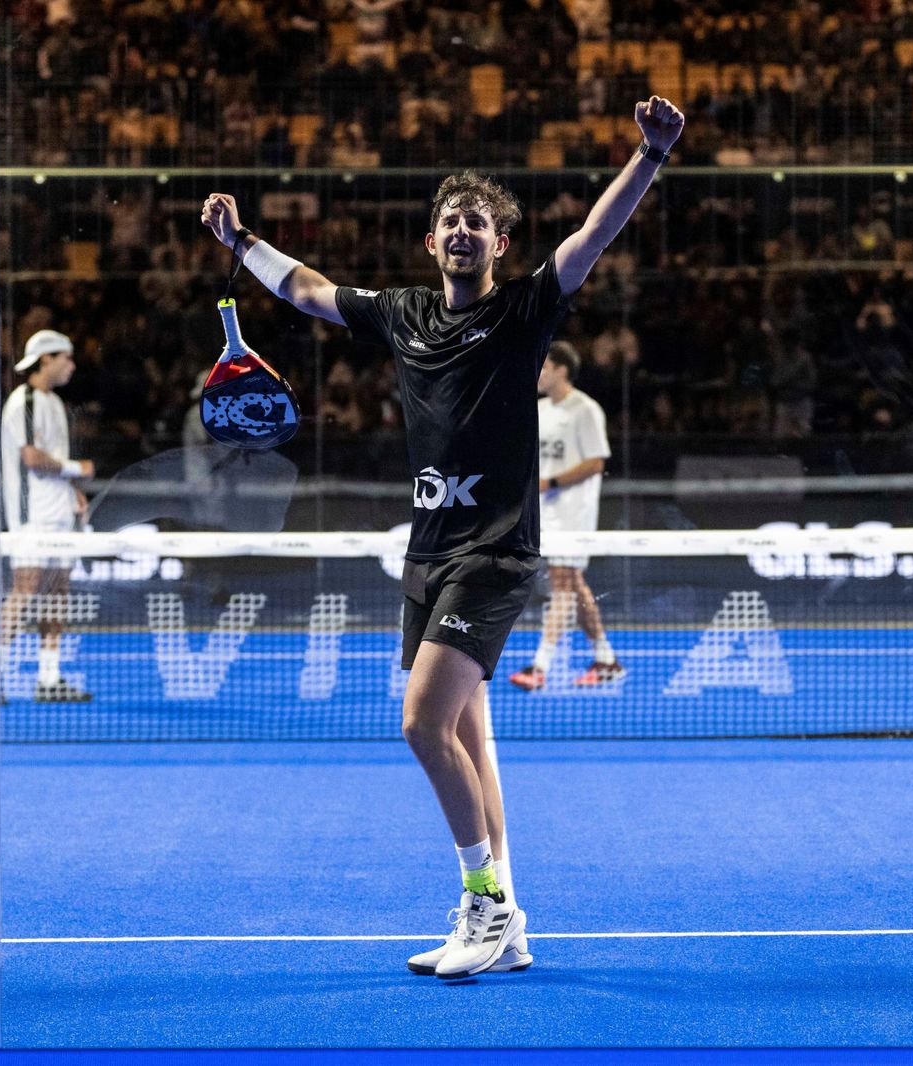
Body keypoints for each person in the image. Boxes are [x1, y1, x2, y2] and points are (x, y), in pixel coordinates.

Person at [199, 95, 684, 980]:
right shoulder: (405, 313)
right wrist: (242, 246)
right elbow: (308, 288)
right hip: (427, 556)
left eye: (480, 223)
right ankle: (513, 921)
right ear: (432, 243)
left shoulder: (527, 309)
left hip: (494, 554)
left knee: (423, 724)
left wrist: (649, 158)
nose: (463, 230)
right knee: (472, 737)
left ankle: (484, 903)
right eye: (450, 220)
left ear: (500, 245)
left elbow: (591, 239)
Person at [0, 329, 95, 704]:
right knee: (25, 590)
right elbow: (32, 458)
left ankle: (49, 677)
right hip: (33, 519)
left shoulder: (56, 404)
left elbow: (54, 460)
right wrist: (78, 469)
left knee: (58, 593)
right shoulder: (24, 400)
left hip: (60, 514)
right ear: (46, 358)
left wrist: (74, 492)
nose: (72, 365)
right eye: (67, 357)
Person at [508, 341, 623, 690]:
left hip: (575, 512)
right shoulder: (539, 409)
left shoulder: (585, 409)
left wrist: (551, 481)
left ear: (561, 369)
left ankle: (538, 667)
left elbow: (595, 463)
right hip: (545, 512)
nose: (539, 373)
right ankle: (606, 659)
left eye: (544, 367)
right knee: (573, 584)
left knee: (562, 582)